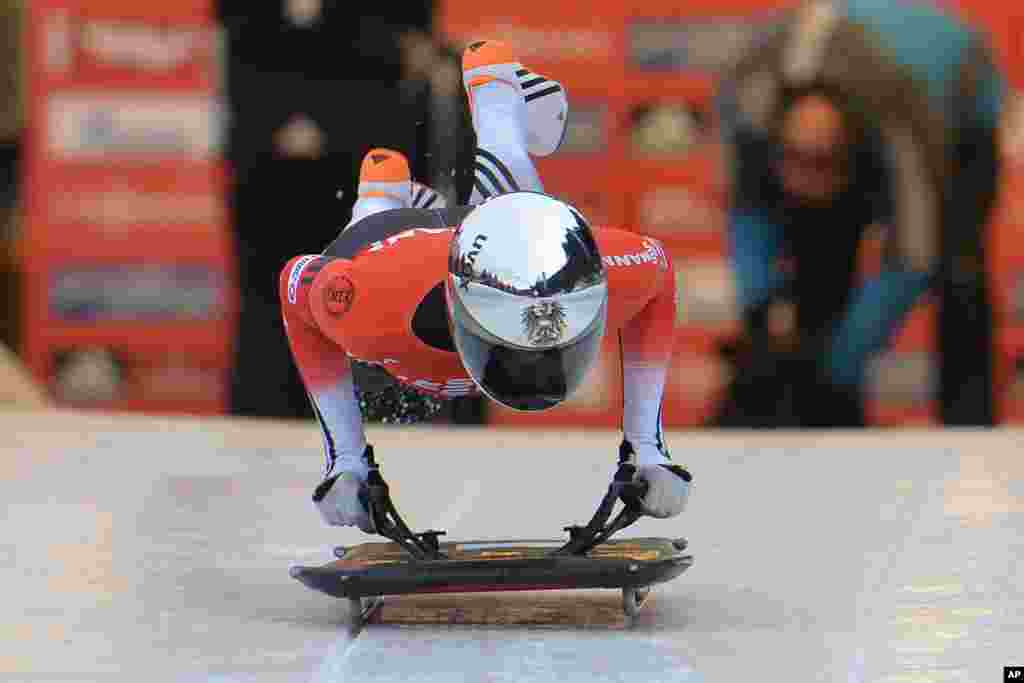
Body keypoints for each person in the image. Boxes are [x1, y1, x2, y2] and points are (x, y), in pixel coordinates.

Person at [278, 40, 691, 532]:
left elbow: (659, 269)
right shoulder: (358, 301)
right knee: (373, 216)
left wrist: (646, 448)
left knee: (521, 206)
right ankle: (387, 190)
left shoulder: (594, 270)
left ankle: (488, 102)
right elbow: (293, 283)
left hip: (490, 230)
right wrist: (346, 458)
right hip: (388, 250)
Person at [713, 0, 1004, 427]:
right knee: (819, 261)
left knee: (958, 268)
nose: (803, 184)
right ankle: (827, 414)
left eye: (821, 165)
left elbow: (912, 255)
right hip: (844, 86)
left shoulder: (901, 125)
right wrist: (760, 312)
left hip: (961, 111)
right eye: (794, 161)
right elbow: (747, 213)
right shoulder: (751, 106)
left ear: (854, 153)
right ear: (775, 142)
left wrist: (840, 363)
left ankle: (968, 426)